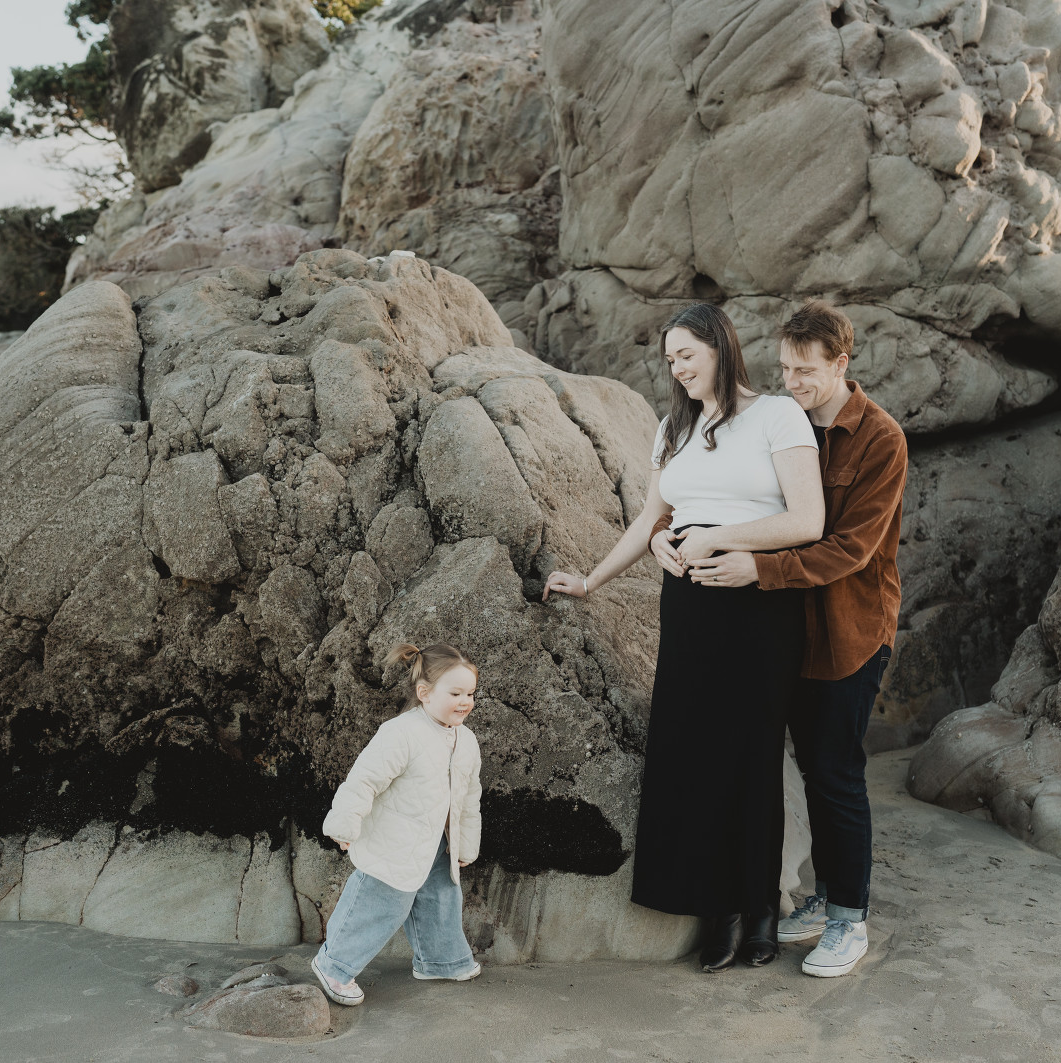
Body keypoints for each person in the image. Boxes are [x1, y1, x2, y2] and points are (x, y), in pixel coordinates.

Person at [542, 303, 825, 972]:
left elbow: (808, 520)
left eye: (686, 355)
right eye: (670, 359)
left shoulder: (778, 416)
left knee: (752, 756)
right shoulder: (674, 427)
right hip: (691, 603)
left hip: (758, 601)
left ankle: (761, 907)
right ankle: (717, 910)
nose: (677, 368)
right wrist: (592, 579)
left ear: (720, 347)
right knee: (695, 753)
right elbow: (652, 517)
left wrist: (715, 536)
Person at [659, 300, 907, 979]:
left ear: (840, 364)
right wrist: (666, 536)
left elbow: (850, 547)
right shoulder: (782, 422)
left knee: (833, 772)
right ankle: (818, 895)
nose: (792, 382)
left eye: (806, 371)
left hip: (847, 629)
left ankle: (848, 917)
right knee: (783, 766)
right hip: (778, 628)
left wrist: (758, 568)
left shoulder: (879, 438)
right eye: (785, 368)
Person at [311, 642, 484, 1006]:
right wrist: (345, 824)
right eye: (455, 694)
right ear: (424, 693)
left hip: (437, 841)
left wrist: (466, 844)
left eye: (470, 694)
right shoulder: (402, 733)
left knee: (441, 897)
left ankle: (440, 961)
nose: (465, 702)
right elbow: (365, 780)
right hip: (394, 842)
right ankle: (334, 964)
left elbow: (469, 798)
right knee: (381, 902)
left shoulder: (466, 741)